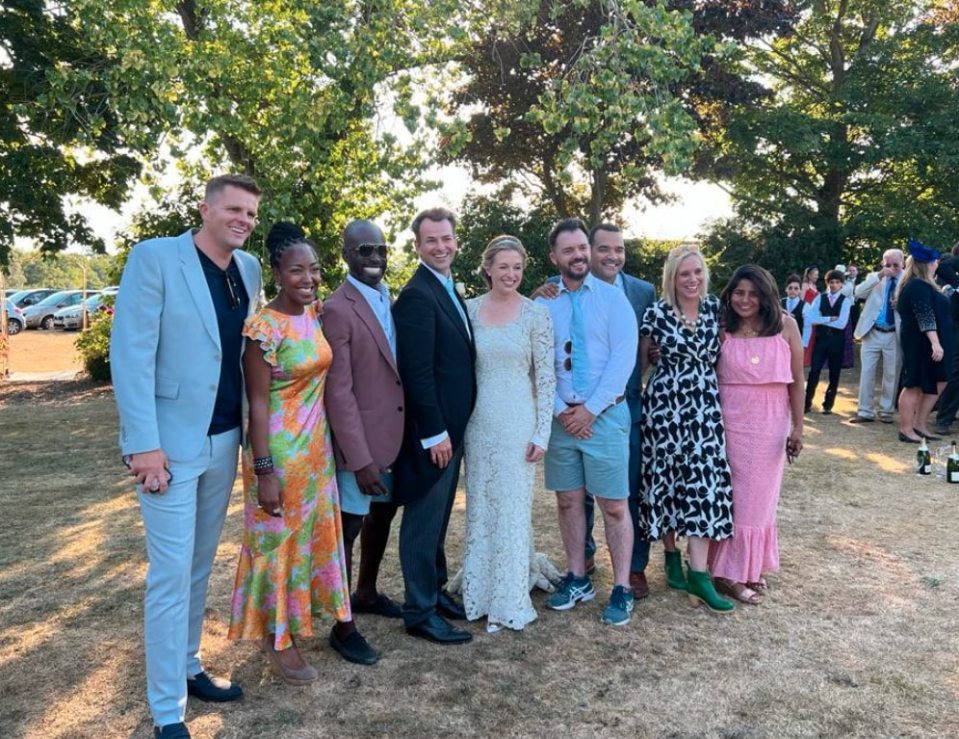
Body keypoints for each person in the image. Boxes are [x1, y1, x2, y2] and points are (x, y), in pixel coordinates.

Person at [111, 174, 263, 739]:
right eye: (233, 209)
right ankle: (167, 711)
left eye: (250, 212)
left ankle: (190, 665)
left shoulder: (247, 271)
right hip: (167, 449)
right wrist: (143, 445)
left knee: (200, 567)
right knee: (170, 576)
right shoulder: (155, 258)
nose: (243, 219)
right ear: (205, 209)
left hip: (226, 440)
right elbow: (130, 355)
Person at [229, 223, 379, 684]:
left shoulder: (313, 314)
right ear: (276, 271)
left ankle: (298, 622)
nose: (308, 278)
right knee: (277, 545)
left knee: (307, 542)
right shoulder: (262, 327)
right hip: (278, 455)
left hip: (316, 454)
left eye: (314, 269)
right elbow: (255, 402)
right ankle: (278, 641)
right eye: (297, 270)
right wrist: (264, 470)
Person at [532, 223, 656, 597]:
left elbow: (623, 362)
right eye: (568, 250)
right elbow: (538, 365)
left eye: (582, 247)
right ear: (554, 257)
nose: (579, 255)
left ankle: (620, 586)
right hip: (561, 420)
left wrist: (590, 410)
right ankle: (577, 578)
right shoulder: (542, 303)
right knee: (568, 500)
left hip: (605, 416)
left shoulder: (612, 298)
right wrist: (560, 411)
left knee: (615, 506)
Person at [456, 235, 557, 633]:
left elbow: (547, 378)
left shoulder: (536, 315)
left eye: (517, 267)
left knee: (514, 509)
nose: (511, 274)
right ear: (488, 269)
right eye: (503, 267)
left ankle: (509, 596)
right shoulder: (468, 311)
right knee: (481, 504)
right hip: (478, 422)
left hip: (519, 419)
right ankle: (479, 592)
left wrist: (542, 432)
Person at [392, 207, 477, 644]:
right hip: (435, 434)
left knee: (441, 516)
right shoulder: (417, 295)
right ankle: (419, 610)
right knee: (424, 519)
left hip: (453, 429)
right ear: (418, 246)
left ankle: (436, 590)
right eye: (431, 241)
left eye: (446, 238)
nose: (441, 246)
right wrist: (435, 433)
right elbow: (416, 371)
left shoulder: (446, 287)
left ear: (455, 240)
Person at [638, 244, 734, 613]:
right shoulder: (657, 313)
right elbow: (642, 365)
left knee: (705, 484)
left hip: (705, 409)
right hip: (665, 408)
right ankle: (670, 555)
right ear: (672, 278)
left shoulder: (715, 309)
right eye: (684, 274)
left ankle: (699, 576)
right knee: (667, 481)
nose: (692, 280)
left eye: (697, 272)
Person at [323, 220, 404, 626]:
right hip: (360, 447)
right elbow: (339, 392)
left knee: (381, 517)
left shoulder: (388, 297)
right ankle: (343, 623)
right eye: (364, 250)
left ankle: (367, 592)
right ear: (346, 254)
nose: (375, 257)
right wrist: (359, 459)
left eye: (381, 249)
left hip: (393, 439)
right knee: (349, 528)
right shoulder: (337, 309)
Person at [707, 265, 804, 605]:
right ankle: (726, 573)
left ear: (765, 294)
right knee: (736, 498)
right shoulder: (720, 328)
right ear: (729, 295)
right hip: (729, 422)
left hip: (771, 422)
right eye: (738, 293)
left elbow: (797, 382)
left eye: (752, 293)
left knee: (761, 500)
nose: (745, 300)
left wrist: (799, 427)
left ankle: (749, 566)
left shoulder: (787, 325)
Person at [896, 239, 951, 443]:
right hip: (919, 342)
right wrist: (935, 343)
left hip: (931, 339)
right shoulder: (916, 286)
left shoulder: (926, 286)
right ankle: (906, 428)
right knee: (914, 383)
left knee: (939, 379)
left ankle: (920, 423)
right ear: (926, 265)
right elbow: (924, 316)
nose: (937, 264)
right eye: (935, 261)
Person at [849, 249, 904, 424]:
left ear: (903, 263)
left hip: (894, 333)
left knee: (891, 373)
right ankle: (865, 411)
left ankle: (886, 411)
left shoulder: (908, 280)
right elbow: (857, 293)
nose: (892, 268)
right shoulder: (875, 278)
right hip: (872, 331)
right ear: (883, 264)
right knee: (867, 372)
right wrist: (880, 275)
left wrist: (901, 304)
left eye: (896, 265)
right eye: (888, 265)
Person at [803, 269, 851, 415]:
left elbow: (842, 323)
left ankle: (828, 404)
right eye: (831, 282)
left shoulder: (846, 300)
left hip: (837, 340)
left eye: (837, 282)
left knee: (834, 373)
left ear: (842, 284)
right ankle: (806, 403)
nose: (834, 285)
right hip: (821, 339)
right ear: (827, 283)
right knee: (814, 371)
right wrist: (829, 318)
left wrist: (821, 320)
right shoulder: (820, 298)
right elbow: (811, 318)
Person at [932, 243, 959, 436]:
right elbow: (942, 265)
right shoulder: (951, 277)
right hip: (956, 330)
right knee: (956, 375)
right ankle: (944, 419)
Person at [801, 265, 820, 366]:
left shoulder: (815, 287)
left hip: (814, 313)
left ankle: (809, 359)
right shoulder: (805, 286)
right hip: (806, 313)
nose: (817, 277)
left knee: (812, 336)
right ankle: (803, 359)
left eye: (817, 275)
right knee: (806, 336)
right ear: (809, 275)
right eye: (815, 275)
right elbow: (802, 299)